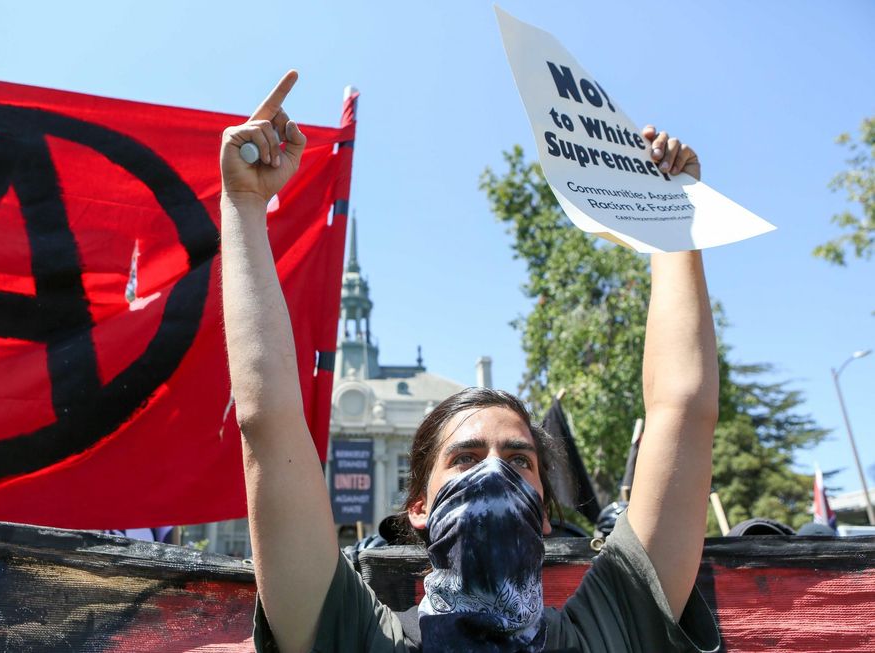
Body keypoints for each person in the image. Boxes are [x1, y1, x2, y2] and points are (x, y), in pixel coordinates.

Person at [221, 71, 721, 652]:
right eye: (464, 457)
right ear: (419, 509)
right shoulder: (358, 638)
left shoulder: (611, 629)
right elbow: (267, 418)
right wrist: (245, 203)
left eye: (519, 458)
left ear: (543, 516)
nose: (495, 471)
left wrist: (670, 215)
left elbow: (683, 408)